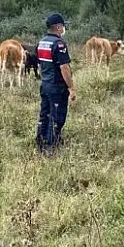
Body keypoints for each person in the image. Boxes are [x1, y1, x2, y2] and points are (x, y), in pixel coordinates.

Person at [35, 13, 76, 154]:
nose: (64, 28)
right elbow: (64, 67)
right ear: (58, 27)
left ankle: (40, 142)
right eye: (63, 26)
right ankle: (51, 147)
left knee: (44, 114)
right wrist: (71, 88)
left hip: (45, 84)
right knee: (57, 116)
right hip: (57, 87)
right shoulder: (59, 44)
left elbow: (40, 65)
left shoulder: (41, 43)